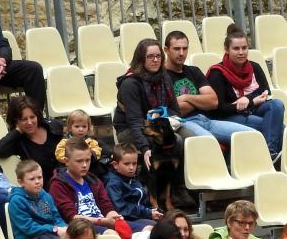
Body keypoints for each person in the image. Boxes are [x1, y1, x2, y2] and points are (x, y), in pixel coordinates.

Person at [204, 25, 284, 160]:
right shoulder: (218, 74)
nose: (241, 52)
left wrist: (248, 100)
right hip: (229, 115)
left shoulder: (255, 67)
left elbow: (266, 93)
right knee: (280, 127)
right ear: (227, 50)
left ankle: (269, 153)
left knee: (276, 104)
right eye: (236, 49)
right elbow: (218, 109)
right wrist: (250, 102)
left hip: (253, 109)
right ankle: (269, 154)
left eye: (244, 48)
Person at [162, 30, 253, 145]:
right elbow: (173, 109)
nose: (181, 53)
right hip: (183, 123)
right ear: (166, 50)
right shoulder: (161, 76)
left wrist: (186, 97)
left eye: (185, 48)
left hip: (206, 120)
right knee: (209, 143)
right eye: (176, 49)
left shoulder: (194, 71)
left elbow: (213, 101)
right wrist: (200, 101)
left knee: (250, 135)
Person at [112, 38, 179, 168]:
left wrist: (160, 113)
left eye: (158, 56)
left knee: (191, 137)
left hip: (161, 125)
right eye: (150, 56)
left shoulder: (165, 78)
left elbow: (176, 111)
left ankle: (180, 179)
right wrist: (144, 148)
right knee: (176, 141)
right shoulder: (130, 84)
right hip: (131, 129)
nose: (155, 60)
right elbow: (135, 121)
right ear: (141, 59)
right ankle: (157, 177)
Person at [49, 137, 124, 235]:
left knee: (143, 228)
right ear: (66, 161)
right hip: (79, 229)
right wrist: (104, 221)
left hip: (103, 223)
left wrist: (114, 216)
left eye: (87, 160)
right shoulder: (58, 185)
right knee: (112, 234)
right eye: (79, 161)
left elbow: (107, 206)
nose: (84, 165)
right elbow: (72, 218)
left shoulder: (94, 180)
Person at [0, 95, 64, 176]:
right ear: (16, 121)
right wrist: (18, 131)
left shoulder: (53, 128)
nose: (29, 122)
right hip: (40, 182)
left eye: (32, 117)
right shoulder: (18, 142)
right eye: (24, 119)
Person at [7, 159, 66, 239]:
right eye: (32, 179)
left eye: (40, 177)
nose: (37, 181)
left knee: (77, 234)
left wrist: (65, 228)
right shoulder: (16, 201)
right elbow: (28, 228)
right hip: (28, 238)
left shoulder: (46, 196)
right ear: (21, 182)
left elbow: (56, 217)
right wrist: (54, 229)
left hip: (50, 232)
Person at [103, 143, 161, 229]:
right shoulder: (113, 183)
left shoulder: (131, 178)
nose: (131, 168)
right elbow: (121, 209)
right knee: (157, 228)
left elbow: (143, 200)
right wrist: (147, 213)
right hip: (126, 219)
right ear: (115, 165)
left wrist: (151, 211)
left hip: (140, 215)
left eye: (134, 164)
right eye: (126, 164)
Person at [53, 110, 107, 176]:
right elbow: (59, 153)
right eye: (77, 126)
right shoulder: (65, 141)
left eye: (84, 126)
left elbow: (97, 150)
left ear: (88, 128)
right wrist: (73, 157)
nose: (81, 129)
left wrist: (91, 154)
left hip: (89, 169)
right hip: (71, 170)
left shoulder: (91, 141)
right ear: (70, 128)